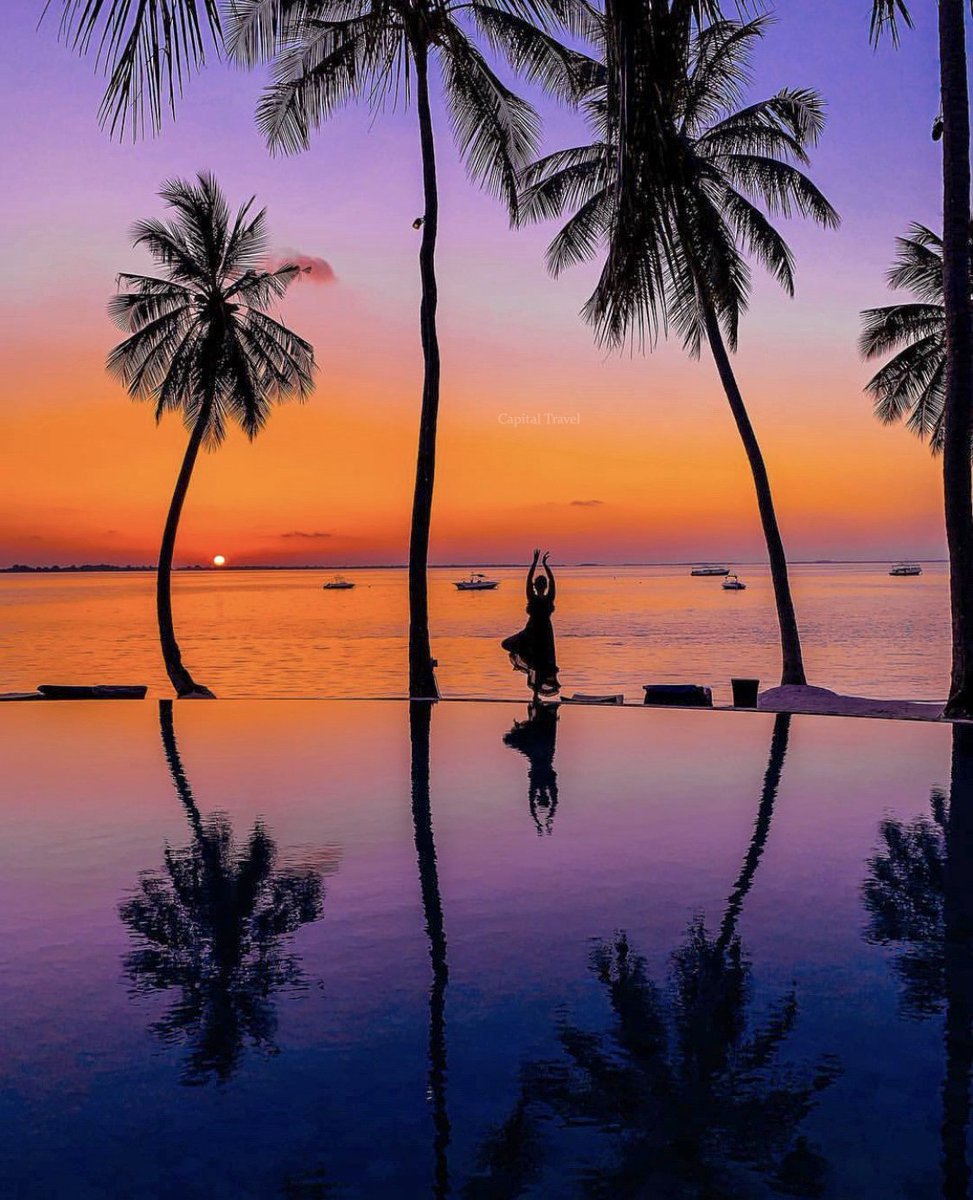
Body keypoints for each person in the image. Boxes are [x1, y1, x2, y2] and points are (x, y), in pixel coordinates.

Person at [501, 549, 560, 699]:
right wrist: (541, 565)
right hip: (535, 632)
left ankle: (535, 693)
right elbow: (545, 582)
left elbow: (544, 582)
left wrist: (537, 564)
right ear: (540, 586)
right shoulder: (537, 598)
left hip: (541, 633)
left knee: (540, 662)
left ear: (540, 586)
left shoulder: (545, 599)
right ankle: (535, 693)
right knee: (536, 661)